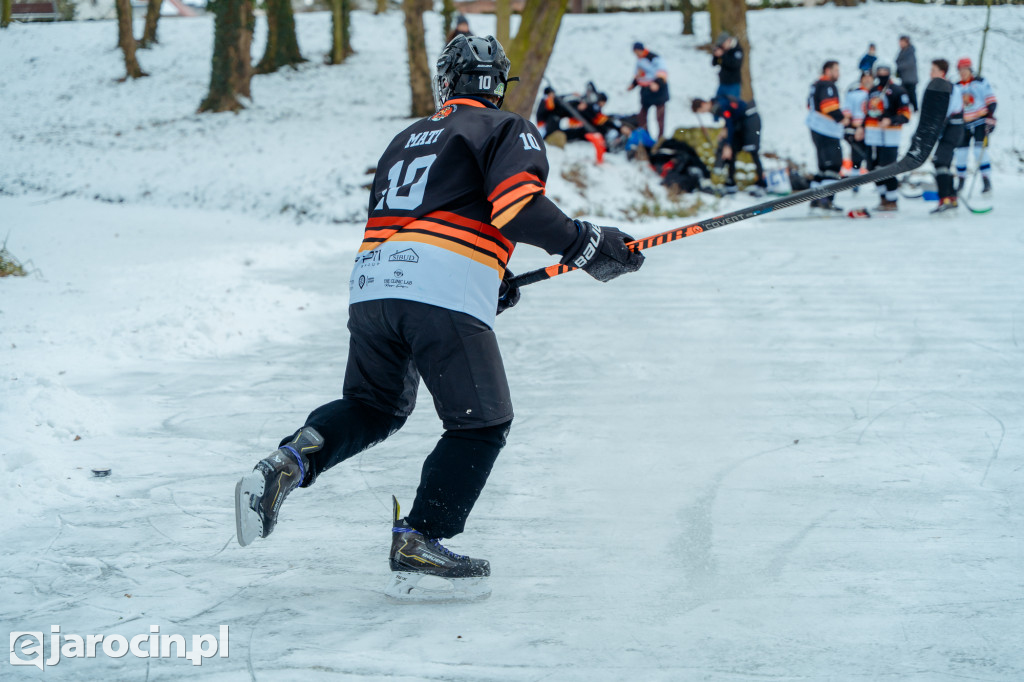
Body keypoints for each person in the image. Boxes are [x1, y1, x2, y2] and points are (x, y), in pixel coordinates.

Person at [233, 34, 644, 602]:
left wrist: (489, 273)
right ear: (497, 85)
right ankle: (422, 535)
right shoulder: (506, 127)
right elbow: (517, 205)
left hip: (373, 283)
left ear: (445, 83)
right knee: (481, 423)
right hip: (438, 285)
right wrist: (585, 242)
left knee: (373, 406)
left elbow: (435, 215)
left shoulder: (407, 137)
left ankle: (289, 460)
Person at [691, 95, 764, 194]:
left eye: (702, 111)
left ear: (703, 104)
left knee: (752, 151)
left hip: (750, 120)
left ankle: (761, 184)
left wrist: (727, 145)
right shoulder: (717, 103)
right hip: (740, 122)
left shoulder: (719, 105)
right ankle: (731, 182)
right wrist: (724, 134)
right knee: (733, 150)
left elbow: (729, 123)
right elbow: (730, 120)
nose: (704, 113)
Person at [864, 60, 911, 211]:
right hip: (873, 136)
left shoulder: (898, 90)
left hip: (890, 137)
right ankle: (883, 199)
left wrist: (890, 120)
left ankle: (892, 200)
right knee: (874, 168)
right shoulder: (872, 90)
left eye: (885, 70)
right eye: (880, 70)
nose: (882, 73)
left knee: (888, 169)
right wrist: (860, 128)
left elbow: (905, 115)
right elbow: (868, 112)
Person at [805, 60, 849, 212]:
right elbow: (828, 106)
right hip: (826, 130)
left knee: (823, 167)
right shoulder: (827, 85)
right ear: (828, 70)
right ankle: (826, 199)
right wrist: (842, 118)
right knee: (833, 166)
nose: (838, 74)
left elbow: (809, 105)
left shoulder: (815, 84)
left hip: (816, 128)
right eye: (836, 70)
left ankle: (815, 199)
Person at [954, 56, 997, 195]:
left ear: (970, 69)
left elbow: (991, 101)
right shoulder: (956, 86)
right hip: (964, 124)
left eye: (965, 69)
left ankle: (986, 180)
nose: (963, 72)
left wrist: (990, 117)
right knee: (961, 153)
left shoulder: (980, 82)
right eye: (960, 70)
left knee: (979, 150)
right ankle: (960, 181)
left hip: (980, 121)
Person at [928, 59, 965, 214]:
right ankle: (951, 197)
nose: (930, 73)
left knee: (940, 161)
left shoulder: (950, 87)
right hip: (947, 130)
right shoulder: (939, 87)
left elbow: (948, 111)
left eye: (933, 70)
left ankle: (946, 199)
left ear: (942, 72)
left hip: (954, 129)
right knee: (944, 163)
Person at [628, 41, 670, 140]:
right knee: (642, 116)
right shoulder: (639, 61)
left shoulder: (654, 58)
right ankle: (645, 136)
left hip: (658, 91)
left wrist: (657, 83)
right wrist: (633, 85)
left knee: (660, 116)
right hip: (646, 92)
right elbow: (639, 75)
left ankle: (660, 137)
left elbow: (662, 71)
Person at [842, 70, 874, 177]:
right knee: (857, 157)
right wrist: (847, 128)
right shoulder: (854, 94)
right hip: (857, 129)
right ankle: (854, 180)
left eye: (870, 78)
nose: (868, 80)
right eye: (865, 78)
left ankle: (877, 179)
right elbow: (847, 112)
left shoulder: (877, 94)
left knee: (872, 156)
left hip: (873, 130)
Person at [712, 32, 743, 100]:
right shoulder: (724, 50)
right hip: (723, 83)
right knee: (718, 104)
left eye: (723, 44)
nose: (722, 46)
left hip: (733, 84)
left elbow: (735, 64)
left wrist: (722, 55)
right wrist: (716, 55)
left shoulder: (737, 50)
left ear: (728, 40)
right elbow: (714, 63)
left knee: (732, 106)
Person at [895, 35, 919, 112]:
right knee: (904, 93)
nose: (900, 44)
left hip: (910, 78)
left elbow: (909, 63)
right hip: (904, 77)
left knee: (911, 94)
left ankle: (915, 109)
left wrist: (899, 66)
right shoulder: (902, 51)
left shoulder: (910, 52)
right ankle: (906, 107)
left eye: (902, 42)